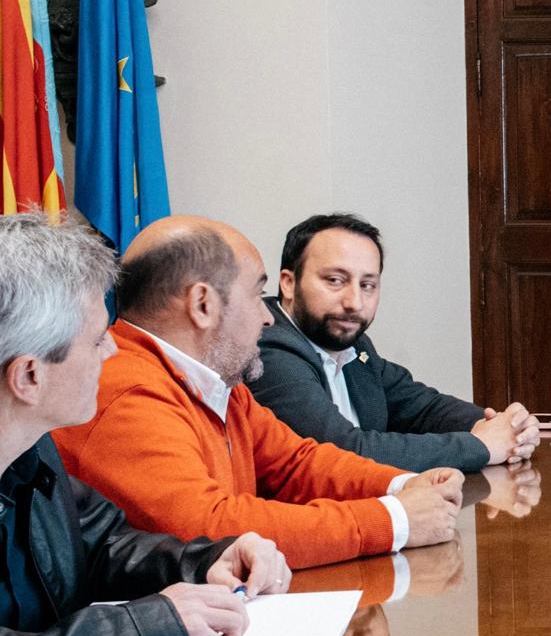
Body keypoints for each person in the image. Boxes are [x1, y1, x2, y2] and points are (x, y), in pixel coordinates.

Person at [0, 213, 292, 636]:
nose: (113, 348)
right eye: (96, 340)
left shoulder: (30, 447)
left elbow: (100, 543)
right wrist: (148, 628)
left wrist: (207, 560)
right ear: (29, 376)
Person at [52, 216, 464, 570]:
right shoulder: (127, 390)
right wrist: (394, 520)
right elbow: (208, 529)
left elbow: (297, 463)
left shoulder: (216, 380)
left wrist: (403, 485)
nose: (268, 317)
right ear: (202, 305)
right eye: (256, 293)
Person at [247, 213, 538, 472]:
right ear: (288, 283)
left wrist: (501, 426)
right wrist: (480, 445)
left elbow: (420, 406)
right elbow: (343, 452)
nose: (354, 302)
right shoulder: (268, 348)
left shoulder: (354, 346)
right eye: (335, 280)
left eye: (367, 285)